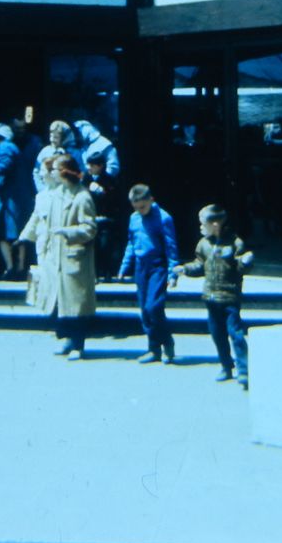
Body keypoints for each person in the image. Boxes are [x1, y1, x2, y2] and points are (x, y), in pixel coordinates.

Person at [19, 153, 98, 359]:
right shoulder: (55, 195)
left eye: (54, 169)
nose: (51, 172)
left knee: (76, 305)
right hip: (55, 257)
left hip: (74, 258)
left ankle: (77, 345)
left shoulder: (82, 197)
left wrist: (68, 232)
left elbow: (90, 229)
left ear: (64, 172)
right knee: (60, 304)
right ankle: (66, 340)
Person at [174, 205, 254, 389]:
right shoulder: (203, 244)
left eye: (203, 223)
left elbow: (241, 266)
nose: (200, 227)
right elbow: (199, 264)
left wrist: (246, 262)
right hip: (210, 297)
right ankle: (226, 366)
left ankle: (244, 371)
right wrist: (185, 269)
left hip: (229, 296)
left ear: (215, 224)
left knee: (236, 333)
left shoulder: (235, 243)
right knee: (217, 334)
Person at [117, 183, 180, 364]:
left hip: (157, 266)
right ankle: (154, 349)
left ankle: (167, 342)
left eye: (143, 207)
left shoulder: (164, 218)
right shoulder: (134, 218)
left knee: (154, 307)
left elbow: (171, 247)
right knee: (145, 310)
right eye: (136, 208)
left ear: (151, 200)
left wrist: (172, 273)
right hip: (140, 267)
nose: (140, 211)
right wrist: (124, 266)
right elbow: (131, 242)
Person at [0, 122, 34, 280]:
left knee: (4, 234)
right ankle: (19, 267)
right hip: (15, 197)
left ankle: (11, 268)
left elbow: (4, 166)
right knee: (17, 233)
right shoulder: (13, 147)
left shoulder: (5, 147)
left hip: (6, 198)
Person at [85, 151, 124, 280]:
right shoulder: (86, 179)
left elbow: (115, 201)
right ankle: (94, 274)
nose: (89, 168)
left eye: (92, 165)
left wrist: (103, 192)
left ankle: (108, 273)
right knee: (93, 247)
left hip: (106, 220)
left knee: (105, 246)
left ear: (100, 166)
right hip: (91, 219)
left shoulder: (109, 180)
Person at [34, 119, 76, 191]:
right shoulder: (45, 152)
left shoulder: (72, 154)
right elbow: (36, 172)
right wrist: (41, 189)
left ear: (63, 138)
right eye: (51, 136)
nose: (52, 140)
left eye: (56, 137)